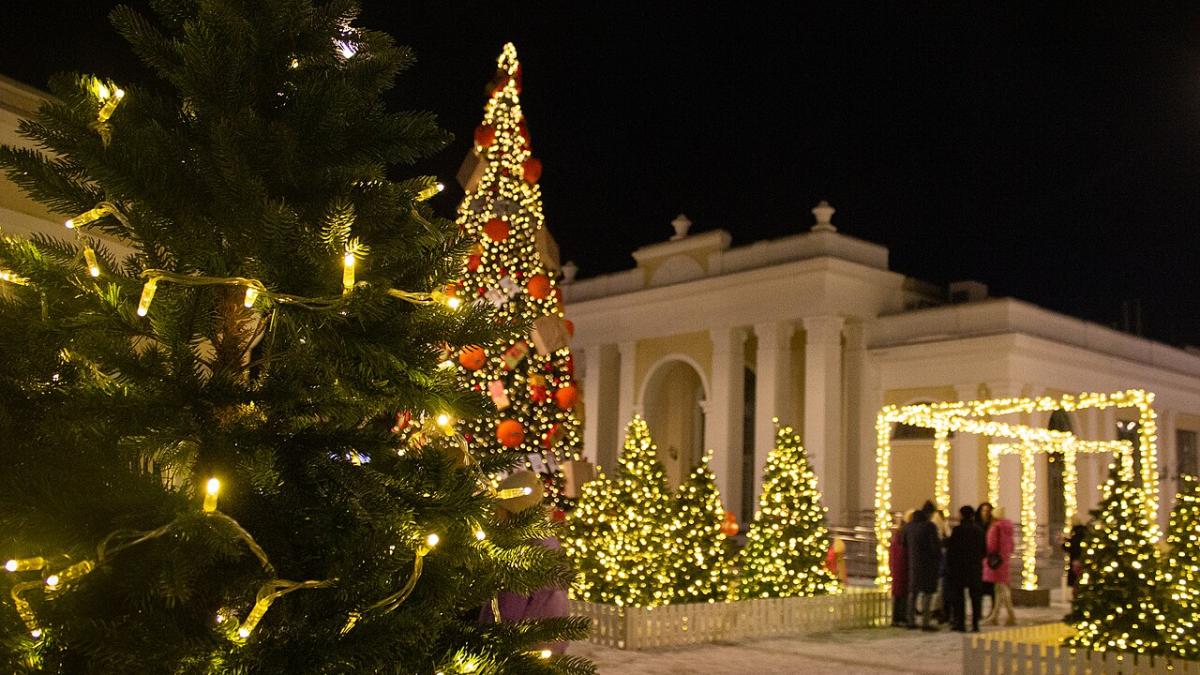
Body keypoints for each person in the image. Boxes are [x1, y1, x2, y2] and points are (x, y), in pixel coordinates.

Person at [945, 505, 987, 632]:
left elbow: (951, 550)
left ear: (962, 515)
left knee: (959, 597)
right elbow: (984, 550)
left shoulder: (957, 530)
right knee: (975, 597)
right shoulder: (979, 530)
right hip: (975, 567)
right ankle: (975, 624)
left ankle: (961, 623)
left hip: (959, 568)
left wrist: (950, 565)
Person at [905, 507, 941, 630]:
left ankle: (910, 620)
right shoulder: (929, 526)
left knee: (913, 593)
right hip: (928, 565)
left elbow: (904, 544)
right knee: (927, 593)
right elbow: (935, 545)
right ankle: (926, 622)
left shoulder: (908, 527)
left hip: (913, 564)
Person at [983, 505, 1016, 626]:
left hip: (996, 562)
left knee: (1001, 588)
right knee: (1000, 588)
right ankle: (995, 616)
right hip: (1004, 561)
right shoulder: (1008, 528)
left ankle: (1011, 615)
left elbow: (991, 546)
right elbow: (1012, 546)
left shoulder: (995, 527)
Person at [889, 511, 913, 626]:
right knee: (902, 594)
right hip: (902, 568)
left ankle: (899, 617)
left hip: (898, 568)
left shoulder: (897, 537)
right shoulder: (902, 538)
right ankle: (899, 617)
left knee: (899, 594)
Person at [976, 502, 995, 613]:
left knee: (991, 588)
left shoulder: (993, 526)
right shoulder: (977, 525)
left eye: (988, 511)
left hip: (990, 560)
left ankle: (992, 611)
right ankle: (979, 611)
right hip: (979, 560)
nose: (986, 513)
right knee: (979, 588)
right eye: (984, 511)